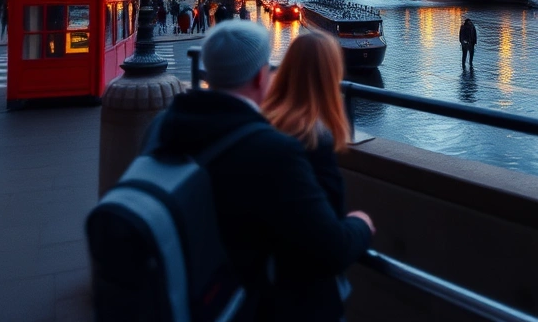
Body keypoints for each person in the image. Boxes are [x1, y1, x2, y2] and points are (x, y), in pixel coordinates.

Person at [152, 21, 374, 320]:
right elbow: (328, 249)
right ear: (260, 76)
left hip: (190, 292)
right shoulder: (272, 151)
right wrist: (361, 224)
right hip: (257, 304)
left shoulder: (162, 127)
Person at [263, 31, 357, 317]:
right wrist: (362, 226)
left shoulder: (263, 127)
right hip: (302, 300)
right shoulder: (314, 143)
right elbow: (330, 245)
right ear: (331, 77)